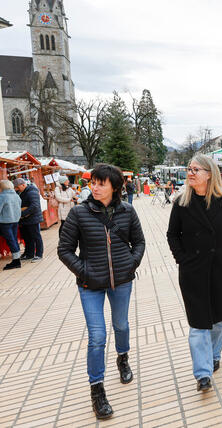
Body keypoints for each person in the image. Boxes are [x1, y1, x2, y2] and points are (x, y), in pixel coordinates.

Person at [57, 164, 146, 419]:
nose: (94, 187)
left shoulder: (128, 211)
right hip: (89, 285)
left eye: (100, 183)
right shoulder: (78, 213)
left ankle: (122, 357)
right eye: (92, 182)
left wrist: (131, 263)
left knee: (121, 325)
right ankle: (97, 389)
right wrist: (84, 272)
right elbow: (64, 250)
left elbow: (139, 242)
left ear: (115, 187)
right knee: (97, 337)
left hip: (122, 281)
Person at [166, 154, 222, 392]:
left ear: (209, 174)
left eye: (195, 169)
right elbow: (172, 235)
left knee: (218, 319)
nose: (190, 173)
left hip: (219, 268)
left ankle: (214, 355)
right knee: (199, 323)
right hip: (193, 271)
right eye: (189, 169)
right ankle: (203, 374)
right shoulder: (181, 202)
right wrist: (182, 259)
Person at [13, 178, 44, 263]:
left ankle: (39, 254)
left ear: (23, 185)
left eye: (17, 187)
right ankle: (29, 254)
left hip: (32, 219)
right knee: (27, 237)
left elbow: (34, 206)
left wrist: (22, 214)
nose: (16, 189)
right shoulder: (23, 191)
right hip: (25, 219)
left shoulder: (31, 191)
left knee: (36, 237)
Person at [0, 180, 22, 270]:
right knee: (14, 240)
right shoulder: (16, 196)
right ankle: (17, 258)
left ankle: (16, 261)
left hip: (5, 222)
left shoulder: (2, 196)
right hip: (15, 221)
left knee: (11, 240)